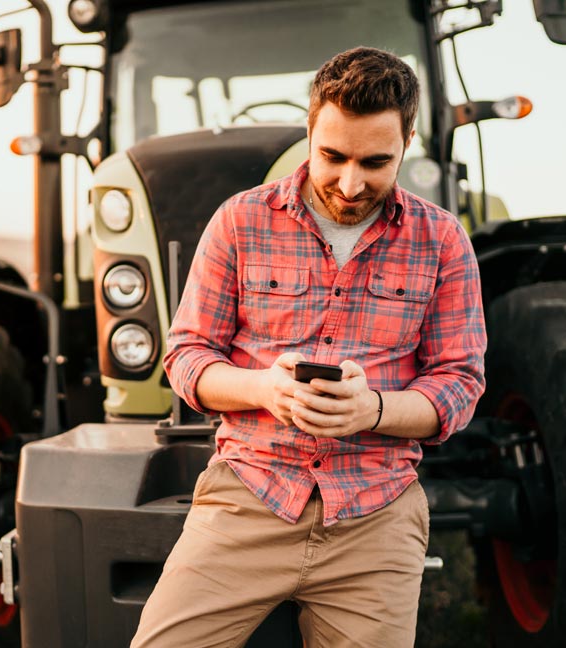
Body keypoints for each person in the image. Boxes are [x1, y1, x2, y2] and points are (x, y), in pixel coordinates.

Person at [131, 47, 486, 648]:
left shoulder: (444, 240)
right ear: (310, 130)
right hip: (248, 498)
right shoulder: (239, 221)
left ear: (408, 142)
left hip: (376, 512)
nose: (351, 183)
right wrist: (263, 388)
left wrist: (370, 410)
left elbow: (459, 384)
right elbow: (186, 357)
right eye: (333, 157)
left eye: (376, 162)